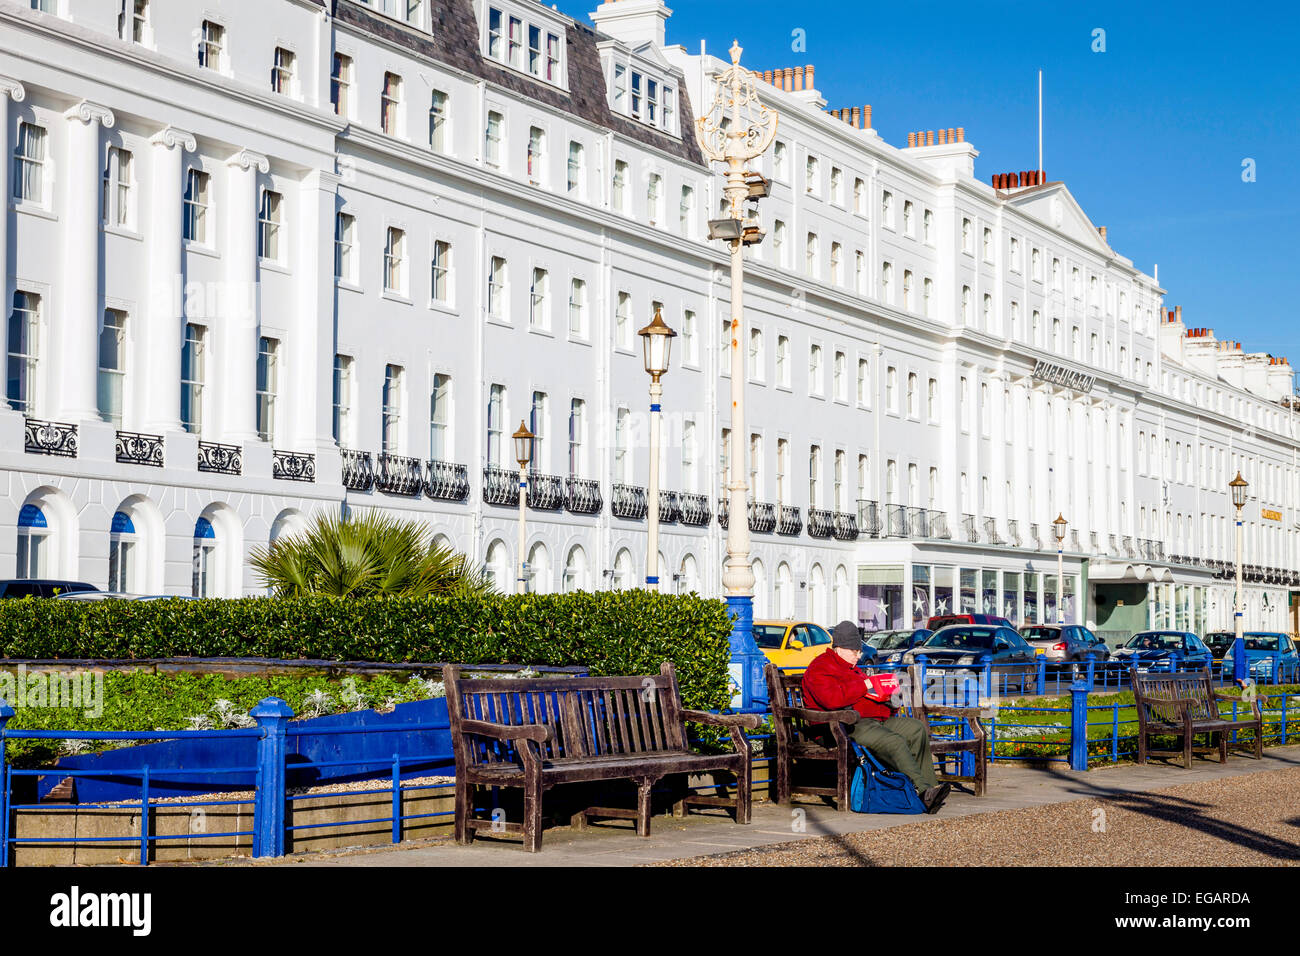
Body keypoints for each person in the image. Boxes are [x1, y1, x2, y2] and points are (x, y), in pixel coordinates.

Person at [800, 620, 951, 814]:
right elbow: (832, 699)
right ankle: (923, 792)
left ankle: (932, 788)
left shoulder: (852, 668)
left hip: (870, 721)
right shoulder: (820, 667)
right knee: (894, 741)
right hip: (841, 727)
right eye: (854, 651)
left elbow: (867, 696)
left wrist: (888, 700)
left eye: (859, 651)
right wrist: (865, 685)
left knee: (916, 729)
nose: (859, 655)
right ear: (838, 648)